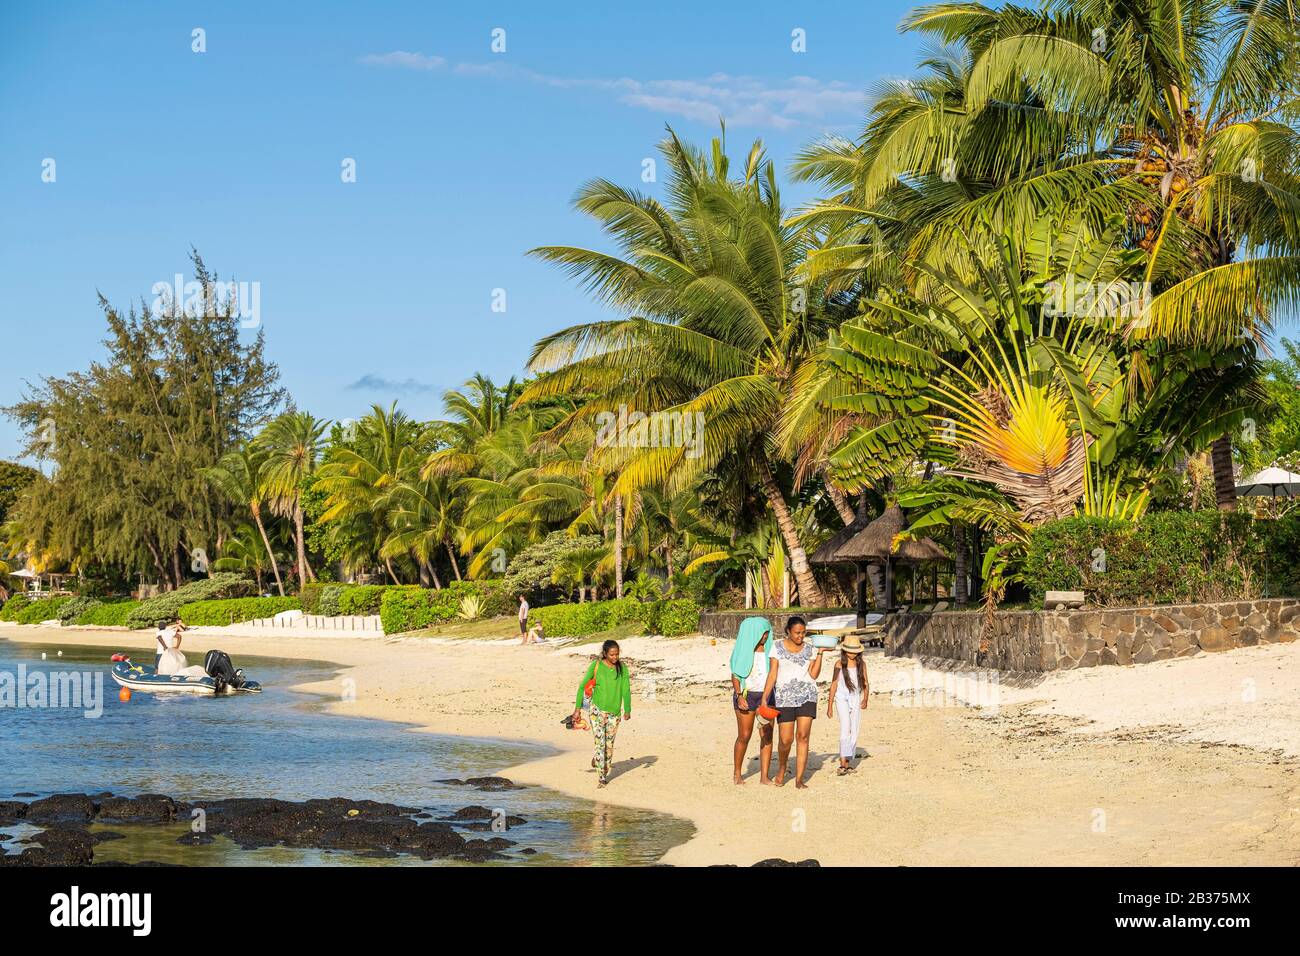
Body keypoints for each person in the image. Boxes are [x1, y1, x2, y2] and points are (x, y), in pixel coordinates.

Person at [760, 616, 827, 789]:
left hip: (807, 696)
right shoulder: (776, 647)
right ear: (788, 631)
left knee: (803, 737)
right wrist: (764, 698)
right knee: (785, 740)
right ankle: (782, 767)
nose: (800, 636)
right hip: (784, 698)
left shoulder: (811, 648)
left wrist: (820, 653)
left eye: (803, 633)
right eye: (797, 633)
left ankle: (799, 779)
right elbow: (773, 674)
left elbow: (814, 675)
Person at [572, 639, 632, 788]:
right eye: (611, 654)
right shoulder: (596, 666)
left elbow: (626, 689)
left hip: (614, 712)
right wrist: (577, 709)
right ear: (605, 653)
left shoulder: (622, 668)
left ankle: (600, 763)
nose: (614, 657)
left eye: (617, 654)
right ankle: (602, 777)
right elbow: (582, 687)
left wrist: (628, 709)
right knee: (600, 744)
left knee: (609, 745)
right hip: (597, 710)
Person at [729, 616, 775, 785]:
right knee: (744, 735)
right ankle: (737, 773)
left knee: (767, 735)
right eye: (764, 633)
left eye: (767, 632)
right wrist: (739, 695)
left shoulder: (771, 650)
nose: (766, 636)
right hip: (746, 696)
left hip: (767, 696)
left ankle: (764, 776)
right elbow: (735, 675)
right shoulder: (743, 650)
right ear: (753, 633)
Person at [827, 635, 870, 776]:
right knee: (845, 728)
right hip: (841, 698)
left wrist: (866, 698)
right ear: (844, 651)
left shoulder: (861, 664)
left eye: (855, 651)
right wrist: (829, 705)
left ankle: (848, 761)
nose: (852, 654)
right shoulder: (839, 664)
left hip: (855, 698)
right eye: (849, 651)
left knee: (855, 729)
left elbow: (865, 683)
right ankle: (842, 763)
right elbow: (833, 684)